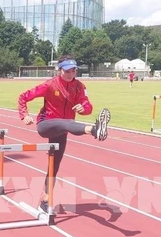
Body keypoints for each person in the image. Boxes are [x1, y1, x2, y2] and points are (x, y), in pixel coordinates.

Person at [18, 55, 111, 214]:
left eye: (74, 70)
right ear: (59, 70)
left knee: (54, 164)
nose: (71, 74)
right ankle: (94, 130)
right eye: (67, 70)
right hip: (46, 124)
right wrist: (24, 115)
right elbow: (23, 97)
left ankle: (45, 200)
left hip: (64, 128)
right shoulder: (49, 85)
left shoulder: (80, 86)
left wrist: (84, 108)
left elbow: (87, 105)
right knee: (64, 122)